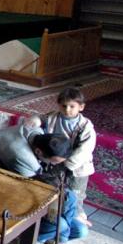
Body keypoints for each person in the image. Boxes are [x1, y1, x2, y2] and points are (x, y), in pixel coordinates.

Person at [0, 119, 87, 244]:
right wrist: (67, 211)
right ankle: (19, 240)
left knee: (80, 230)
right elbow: (37, 189)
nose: (55, 165)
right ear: (39, 152)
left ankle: (54, 235)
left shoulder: (37, 133)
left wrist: (73, 211)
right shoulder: (22, 155)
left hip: (2, 174)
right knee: (61, 223)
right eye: (54, 161)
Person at [44, 87, 97, 226]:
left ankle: (76, 216)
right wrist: (35, 120)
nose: (67, 109)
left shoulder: (85, 127)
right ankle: (52, 217)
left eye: (72, 106)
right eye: (64, 106)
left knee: (76, 193)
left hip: (78, 166)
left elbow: (85, 150)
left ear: (81, 107)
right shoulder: (53, 118)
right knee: (52, 187)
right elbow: (41, 119)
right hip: (55, 162)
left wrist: (67, 161)